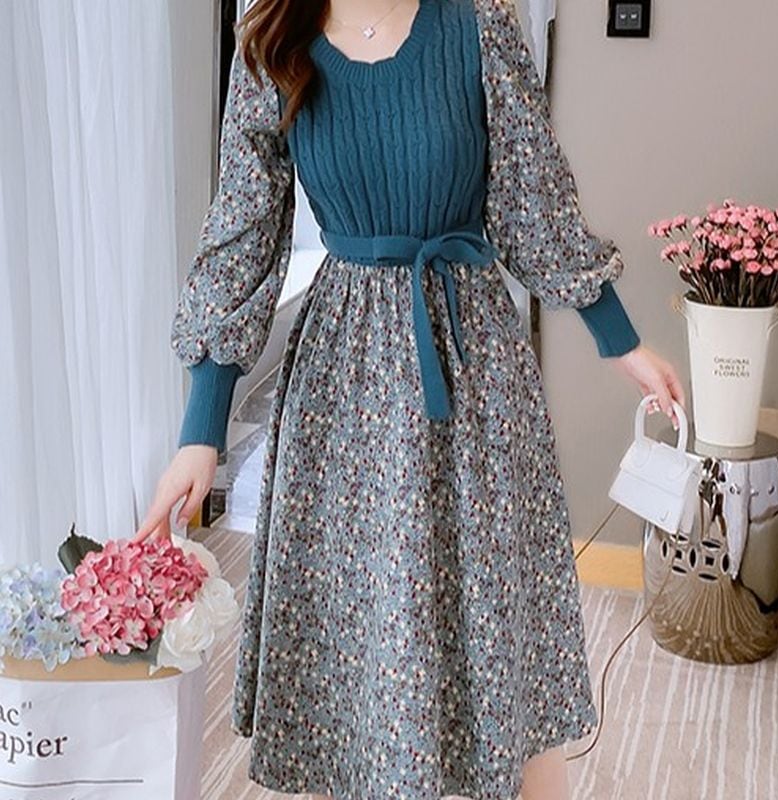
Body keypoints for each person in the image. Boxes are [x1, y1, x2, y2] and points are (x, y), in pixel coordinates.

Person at [134, 0, 685, 798]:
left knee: (500, 626)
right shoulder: (272, 42)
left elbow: (533, 200)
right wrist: (200, 429)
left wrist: (620, 340)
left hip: (475, 372)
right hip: (341, 386)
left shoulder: (479, 24)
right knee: (359, 636)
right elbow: (239, 239)